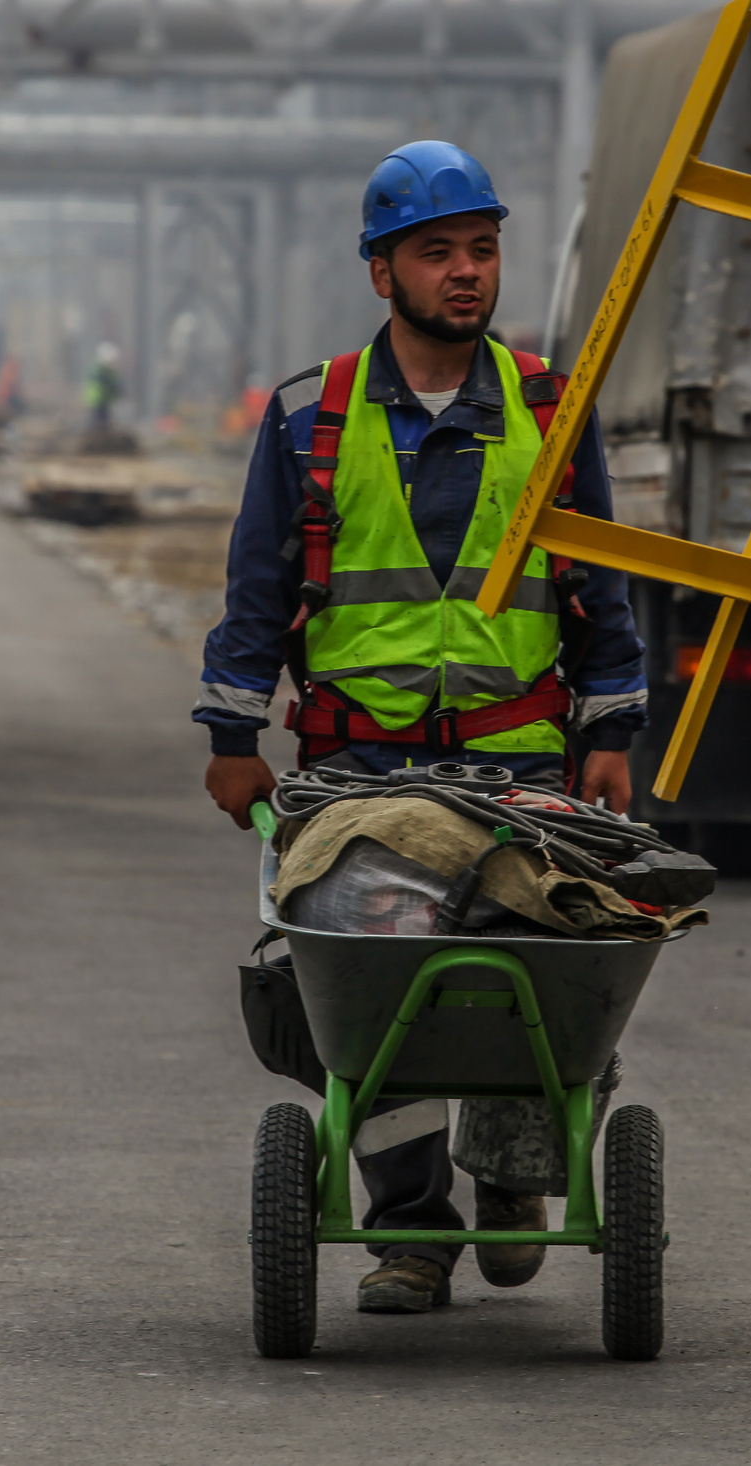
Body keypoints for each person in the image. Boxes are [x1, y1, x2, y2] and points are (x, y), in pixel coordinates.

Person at [196, 140, 650, 1319]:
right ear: (380, 271)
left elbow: (602, 587)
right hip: (361, 769)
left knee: (528, 979)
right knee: (374, 996)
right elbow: (256, 592)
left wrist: (613, 728)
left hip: (517, 762)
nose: (465, 272)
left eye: (482, 249)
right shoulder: (309, 418)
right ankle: (408, 1232)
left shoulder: (551, 408)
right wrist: (231, 731)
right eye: (436, 252)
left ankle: (512, 1180)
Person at [85, 342, 126, 433]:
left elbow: (113, 384)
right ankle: (98, 435)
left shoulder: (105, 369)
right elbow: (107, 383)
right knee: (99, 418)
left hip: (103, 398)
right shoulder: (99, 369)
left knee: (104, 417)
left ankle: (102, 433)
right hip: (97, 398)